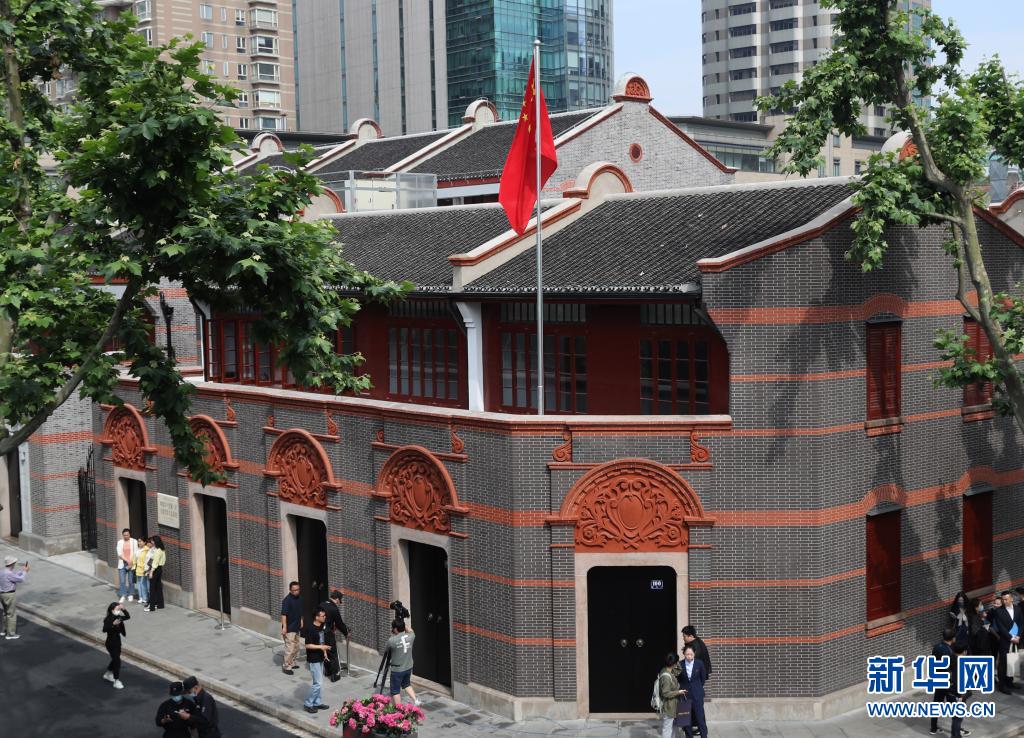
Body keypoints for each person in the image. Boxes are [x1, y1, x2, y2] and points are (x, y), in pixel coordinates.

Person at [681, 625, 712, 736]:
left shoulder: (695, 647)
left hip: (695, 685)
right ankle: (695, 727)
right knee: (694, 713)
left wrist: (697, 685)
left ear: (690, 636)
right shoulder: (698, 642)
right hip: (693, 686)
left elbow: (700, 674)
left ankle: (698, 728)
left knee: (697, 713)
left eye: (684, 636)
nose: (683, 638)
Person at [301, 607, 332, 714]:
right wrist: (321, 648)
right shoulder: (311, 629)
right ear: (317, 617)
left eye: (325, 615)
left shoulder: (321, 627)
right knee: (317, 683)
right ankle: (308, 704)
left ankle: (317, 702)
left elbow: (321, 642)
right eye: (323, 616)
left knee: (319, 682)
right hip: (313, 659)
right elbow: (307, 645)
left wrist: (324, 653)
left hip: (320, 657)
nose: (325, 617)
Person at [992, 590, 1023, 693]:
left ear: (1011, 599)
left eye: (1006, 599)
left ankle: (1010, 682)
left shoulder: (1018, 609)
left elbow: (1021, 623)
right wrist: (1011, 637)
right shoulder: (999, 611)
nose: (1004, 601)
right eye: (1003, 599)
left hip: (1016, 640)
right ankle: (1002, 685)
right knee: (1003, 663)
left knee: (1012, 661)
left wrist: (1018, 636)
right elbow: (1001, 627)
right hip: (1005, 641)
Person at [386, 618, 420, 706]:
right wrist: (403, 625)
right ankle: (416, 700)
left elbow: (387, 650)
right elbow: (410, 630)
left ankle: (399, 709)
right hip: (408, 667)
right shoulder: (411, 636)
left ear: (395, 629)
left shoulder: (392, 640)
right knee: (406, 684)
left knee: (395, 691)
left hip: (397, 670)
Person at [679, 644, 709, 738]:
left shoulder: (699, 663)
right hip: (684, 695)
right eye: (687, 654)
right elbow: (678, 679)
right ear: (684, 654)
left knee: (700, 718)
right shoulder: (680, 664)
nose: (689, 656)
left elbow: (703, 678)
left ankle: (704, 736)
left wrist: (697, 688)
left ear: (694, 653)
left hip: (697, 694)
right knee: (685, 719)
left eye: (691, 654)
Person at [929, 627, 955, 735]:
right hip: (947, 681)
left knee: (936, 704)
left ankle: (933, 728)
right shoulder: (949, 651)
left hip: (938, 679)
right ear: (952, 638)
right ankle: (957, 729)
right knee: (954, 706)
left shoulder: (936, 647)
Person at [321, 590, 350, 682]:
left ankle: (327, 671)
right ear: (337, 599)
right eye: (339, 600)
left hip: (319, 632)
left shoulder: (322, 604)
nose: (338, 602)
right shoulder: (334, 608)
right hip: (328, 633)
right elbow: (339, 623)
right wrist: (346, 632)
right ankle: (335, 675)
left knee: (324, 651)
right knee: (333, 653)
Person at [102, 601, 131, 689]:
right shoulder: (108, 619)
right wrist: (113, 624)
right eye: (117, 609)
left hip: (117, 642)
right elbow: (104, 629)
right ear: (112, 610)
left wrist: (124, 609)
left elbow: (128, 617)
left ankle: (107, 674)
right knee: (117, 661)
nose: (119, 611)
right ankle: (116, 680)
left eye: (119, 609)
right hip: (110, 643)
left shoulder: (119, 617)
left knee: (116, 659)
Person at [657, 651, 686, 738]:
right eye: (677, 662)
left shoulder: (667, 670)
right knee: (667, 728)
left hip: (673, 705)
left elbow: (678, 671)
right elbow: (665, 693)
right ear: (674, 664)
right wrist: (678, 692)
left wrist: (677, 662)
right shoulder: (666, 676)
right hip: (668, 706)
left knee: (673, 727)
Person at [947, 641, 973, 738]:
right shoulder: (961, 664)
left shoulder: (951, 658)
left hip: (950, 692)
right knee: (957, 718)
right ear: (964, 652)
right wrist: (963, 695)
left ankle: (955, 734)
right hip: (958, 694)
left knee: (955, 716)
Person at [0, 555, 29, 639]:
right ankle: (10, 634)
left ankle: (4, 630)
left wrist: (21, 571)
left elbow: (14, 576)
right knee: (11, 614)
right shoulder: (9, 573)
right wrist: (25, 572)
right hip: (9, 595)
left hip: (2, 594)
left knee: (5, 613)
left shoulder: (2, 571)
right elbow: (21, 579)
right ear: (12, 563)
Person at [280, 581, 303, 675]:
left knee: (296, 646)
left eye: (298, 589)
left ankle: (292, 662)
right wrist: (284, 627)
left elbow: (300, 611)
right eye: (294, 590)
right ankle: (286, 666)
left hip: (297, 626)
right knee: (290, 648)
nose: (296, 591)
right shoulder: (287, 600)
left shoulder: (299, 598)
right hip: (289, 628)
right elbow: (283, 615)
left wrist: (301, 620)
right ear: (290, 590)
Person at [116, 528, 139, 603]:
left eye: (127, 535)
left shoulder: (134, 541)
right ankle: (123, 595)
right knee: (122, 581)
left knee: (131, 580)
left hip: (131, 563)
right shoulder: (120, 542)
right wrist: (127, 560)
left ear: (130, 534)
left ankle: (131, 594)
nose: (126, 536)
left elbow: (136, 553)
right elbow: (119, 554)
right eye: (124, 535)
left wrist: (131, 562)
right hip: (123, 563)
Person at [145, 536, 166, 611]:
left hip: (155, 570)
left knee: (152, 588)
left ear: (156, 542)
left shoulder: (157, 551)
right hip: (159, 569)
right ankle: (160, 605)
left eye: (152, 541)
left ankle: (151, 607)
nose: (151, 542)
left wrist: (151, 572)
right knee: (158, 587)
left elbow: (155, 562)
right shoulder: (162, 550)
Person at [134, 537, 152, 607]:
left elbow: (147, 560)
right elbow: (134, 559)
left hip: (144, 569)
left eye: (141, 541)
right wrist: (133, 567)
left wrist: (146, 569)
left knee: (143, 584)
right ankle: (140, 597)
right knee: (139, 584)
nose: (139, 543)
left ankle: (145, 598)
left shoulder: (146, 549)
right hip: (138, 569)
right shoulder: (137, 550)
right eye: (138, 541)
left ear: (144, 542)